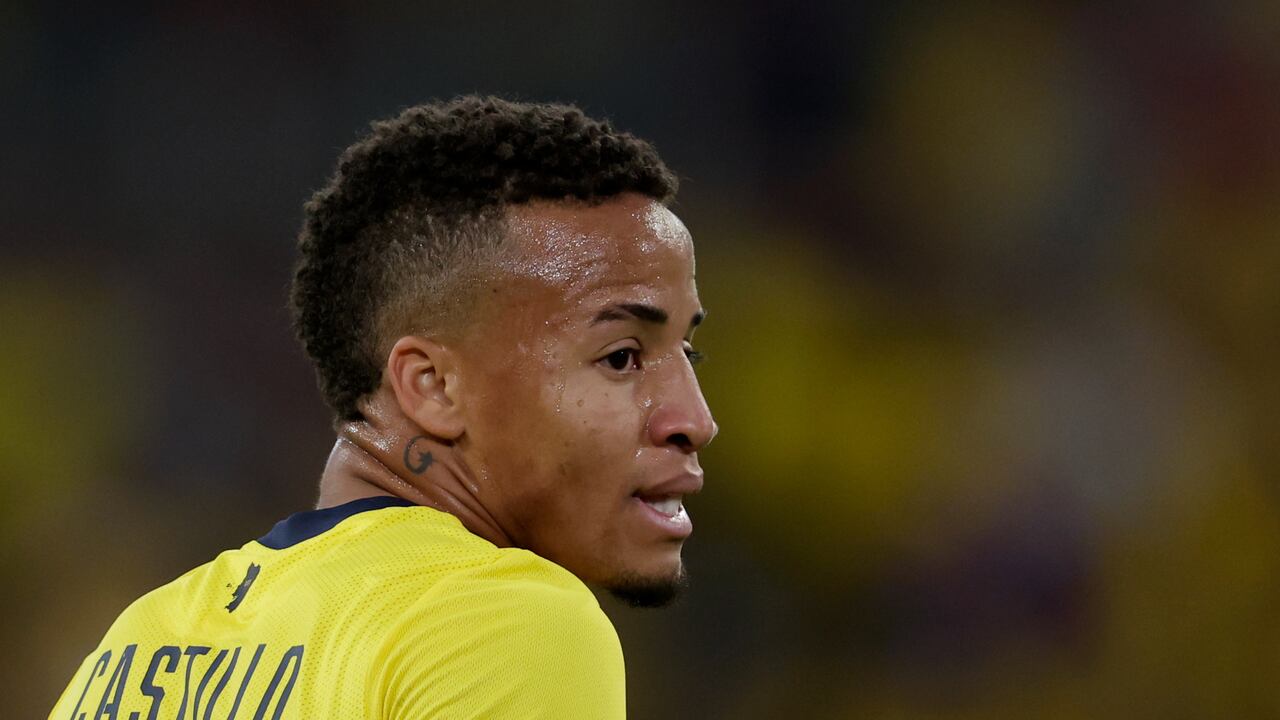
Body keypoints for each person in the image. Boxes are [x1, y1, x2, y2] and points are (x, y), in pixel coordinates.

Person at [48, 96, 717, 719]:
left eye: (688, 353)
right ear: (432, 387)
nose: (695, 419)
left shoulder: (131, 650)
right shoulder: (505, 619)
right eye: (622, 357)